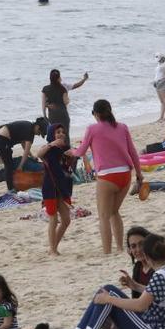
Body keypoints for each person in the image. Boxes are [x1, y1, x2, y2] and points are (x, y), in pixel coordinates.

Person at [63, 233, 165, 329]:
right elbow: (162, 293)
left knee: (108, 292)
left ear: (148, 257)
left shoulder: (159, 275)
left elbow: (140, 305)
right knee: (108, 291)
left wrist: (109, 299)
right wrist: (135, 286)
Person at [68, 100, 142, 255]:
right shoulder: (122, 127)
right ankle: (121, 248)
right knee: (115, 212)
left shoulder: (92, 129)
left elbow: (81, 152)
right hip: (125, 175)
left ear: (95, 114)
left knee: (103, 216)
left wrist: (71, 152)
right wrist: (139, 175)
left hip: (107, 176)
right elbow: (133, 152)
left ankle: (107, 252)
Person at [38, 124, 74, 255]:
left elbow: (73, 156)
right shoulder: (47, 149)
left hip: (61, 188)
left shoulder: (65, 148)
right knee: (53, 219)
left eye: (62, 132)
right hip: (50, 188)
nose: (61, 134)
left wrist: (74, 155)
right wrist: (52, 144)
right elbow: (38, 154)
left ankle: (53, 247)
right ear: (51, 134)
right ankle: (53, 249)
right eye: (57, 132)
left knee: (66, 220)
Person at [0, 118, 50, 192]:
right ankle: (10, 189)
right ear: (37, 127)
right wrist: (20, 166)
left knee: (9, 163)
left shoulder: (28, 126)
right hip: (2, 140)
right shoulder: (30, 132)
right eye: (39, 132)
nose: (39, 134)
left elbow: (24, 145)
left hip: (2, 139)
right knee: (8, 165)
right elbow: (26, 152)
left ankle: (11, 187)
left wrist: (32, 156)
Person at [118, 227, 153, 298]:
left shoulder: (158, 267)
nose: (138, 249)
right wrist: (131, 284)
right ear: (129, 250)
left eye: (142, 244)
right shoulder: (138, 267)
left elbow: (159, 294)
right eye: (133, 246)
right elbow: (135, 297)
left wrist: (135, 286)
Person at [42, 70, 71, 144]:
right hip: (63, 114)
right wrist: (68, 99)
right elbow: (66, 102)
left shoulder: (45, 89)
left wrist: (45, 115)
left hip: (53, 115)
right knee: (65, 134)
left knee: (54, 134)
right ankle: (66, 151)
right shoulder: (63, 89)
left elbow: (43, 103)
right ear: (58, 78)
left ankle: (54, 151)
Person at [153, 53, 165, 122]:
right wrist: (155, 82)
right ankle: (161, 117)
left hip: (162, 83)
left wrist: (162, 81)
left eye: (158, 58)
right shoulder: (158, 64)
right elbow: (157, 75)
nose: (157, 60)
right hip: (157, 83)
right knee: (161, 101)